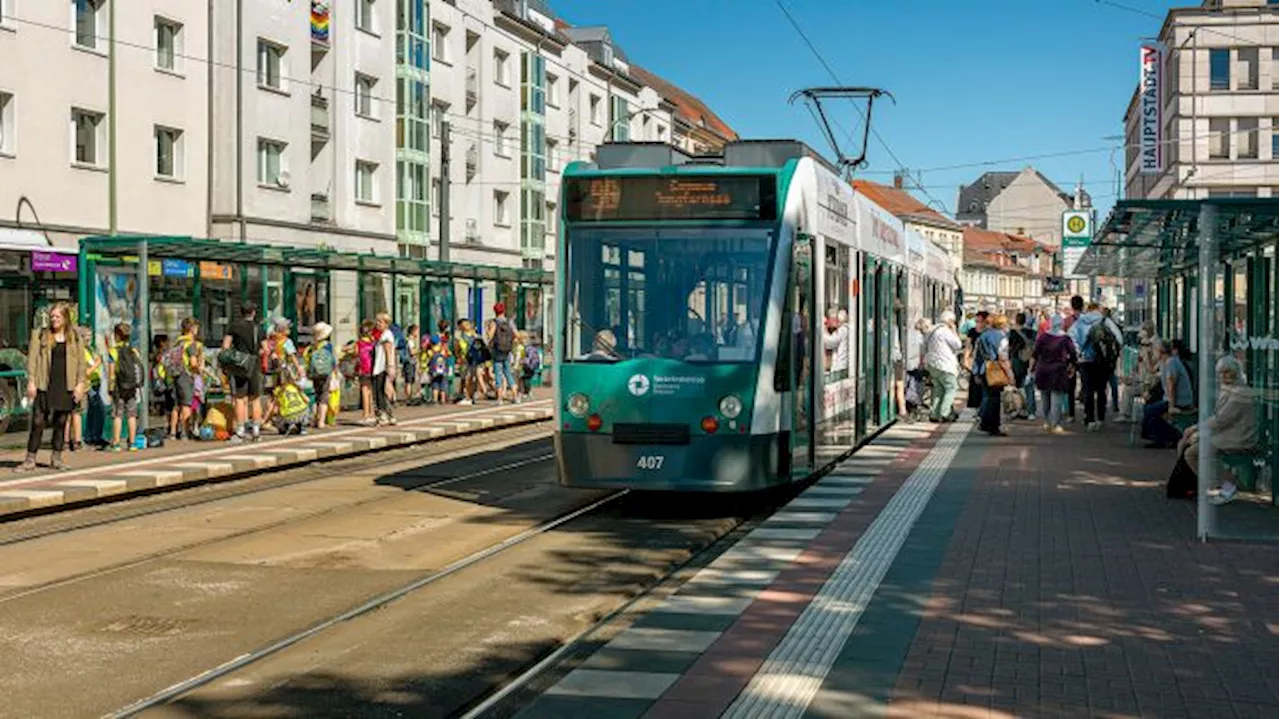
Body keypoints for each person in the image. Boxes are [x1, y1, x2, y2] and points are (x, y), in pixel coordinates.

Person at [1173, 356, 1259, 505]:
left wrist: (1197, 430)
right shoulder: (1230, 390)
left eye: (1228, 372)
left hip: (1238, 437)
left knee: (1192, 453)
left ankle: (1225, 486)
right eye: (1221, 373)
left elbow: (1222, 419)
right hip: (1228, 433)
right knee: (1186, 443)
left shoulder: (1240, 394)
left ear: (1236, 373)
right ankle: (1185, 482)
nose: (1224, 376)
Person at [15, 303, 87, 472]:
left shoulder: (75, 337)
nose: (54, 320)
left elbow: (81, 364)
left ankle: (56, 457)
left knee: (61, 422)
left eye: (57, 317)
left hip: (65, 384)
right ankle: (30, 459)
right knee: (38, 421)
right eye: (52, 317)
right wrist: (31, 381)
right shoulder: (40, 335)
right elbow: (32, 360)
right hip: (44, 384)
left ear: (65, 318)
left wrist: (80, 384)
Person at [1069, 301, 1124, 431]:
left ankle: (1090, 419)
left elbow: (1071, 338)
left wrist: (1078, 352)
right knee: (1101, 389)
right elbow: (1119, 339)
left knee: (1087, 389)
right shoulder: (1105, 321)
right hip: (1103, 361)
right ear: (1098, 309)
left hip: (1085, 361)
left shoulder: (1080, 322)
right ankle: (1101, 418)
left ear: (1087, 310)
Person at [222, 303, 264, 443]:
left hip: (239, 366)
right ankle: (256, 431)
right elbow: (264, 349)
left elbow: (225, 346)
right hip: (254, 366)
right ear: (253, 312)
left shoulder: (234, 327)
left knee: (240, 398)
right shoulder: (259, 328)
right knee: (255, 399)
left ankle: (240, 431)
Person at [1142, 339, 1196, 448]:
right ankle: (1160, 436)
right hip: (1170, 399)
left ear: (1160, 351)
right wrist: (1147, 355)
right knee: (1151, 408)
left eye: (1155, 350)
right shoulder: (1165, 362)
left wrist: (1171, 406)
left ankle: (1166, 437)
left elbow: (1171, 385)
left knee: (1150, 411)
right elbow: (1152, 369)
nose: (1154, 352)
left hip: (1179, 400)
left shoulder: (1172, 362)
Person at [1032, 314, 1078, 434]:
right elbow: (1073, 354)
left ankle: (1047, 421)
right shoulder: (1065, 338)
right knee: (1057, 397)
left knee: (1045, 397)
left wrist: (1031, 368)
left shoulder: (1043, 337)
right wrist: (1072, 366)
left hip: (1042, 370)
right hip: (1058, 370)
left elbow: (1035, 354)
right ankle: (1055, 424)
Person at [107, 323, 144, 452]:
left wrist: (110, 388)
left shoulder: (113, 351)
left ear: (116, 335)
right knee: (131, 415)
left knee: (118, 414)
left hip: (119, 387)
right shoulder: (134, 351)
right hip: (132, 387)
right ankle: (132, 443)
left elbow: (111, 373)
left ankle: (116, 443)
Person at [975, 314, 1014, 436]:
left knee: (987, 396)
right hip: (996, 370)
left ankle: (985, 423)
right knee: (995, 399)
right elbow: (1003, 357)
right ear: (1002, 325)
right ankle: (993, 426)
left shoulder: (983, 335)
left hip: (983, 368)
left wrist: (976, 371)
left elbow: (978, 355)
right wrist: (1010, 374)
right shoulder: (1002, 337)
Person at [921, 310, 962, 423]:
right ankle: (945, 412)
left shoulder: (931, 330)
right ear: (949, 321)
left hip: (932, 364)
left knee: (938, 389)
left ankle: (934, 413)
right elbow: (958, 345)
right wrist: (954, 331)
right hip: (945, 364)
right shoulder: (945, 331)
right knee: (951, 388)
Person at [168, 317, 204, 440]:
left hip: (175, 375)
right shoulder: (191, 344)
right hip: (186, 375)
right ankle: (185, 432)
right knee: (186, 405)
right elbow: (193, 363)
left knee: (176, 405)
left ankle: (173, 432)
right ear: (192, 329)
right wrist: (199, 370)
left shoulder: (177, 342)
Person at [304, 321, 339, 429]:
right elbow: (334, 361)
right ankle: (321, 421)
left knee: (315, 395)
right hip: (326, 373)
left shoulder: (312, 346)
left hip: (315, 373)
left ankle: (314, 419)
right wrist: (335, 372)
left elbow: (307, 359)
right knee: (324, 396)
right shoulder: (328, 346)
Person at [1008, 312, 1038, 420]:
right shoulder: (1032, 332)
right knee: (1029, 388)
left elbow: (1009, 348)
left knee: (1016, 387)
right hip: (1029, 361)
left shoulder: (1011, 333)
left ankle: (1017, 409)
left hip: (1016, 361)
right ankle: (1031, 412)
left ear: (1016, 320)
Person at [488, 302, 517, 404]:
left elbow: (490, 336)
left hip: (497, 351)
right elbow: (516, 334)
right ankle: (515, 396)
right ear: (504, 310)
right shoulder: (509, 321)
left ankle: (499, 399)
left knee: (498, 374)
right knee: (508, 373)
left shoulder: (494, 322)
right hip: (507, 350)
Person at [373, 312, 398, 425]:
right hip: (381, 366)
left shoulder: (386, 335)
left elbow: (388, 351)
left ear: (386, 323)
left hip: (382, 367)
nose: (378, 324)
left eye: (380, 322)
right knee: (384, 392)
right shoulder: (384, 334)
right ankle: (389, 414)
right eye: (377, 321)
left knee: (381, 392)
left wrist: (390, 366)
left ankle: (383, 415)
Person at [964, 311, 989, 413]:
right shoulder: (972, 331)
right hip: (975, 361)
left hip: (987, 362)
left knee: (985, 385)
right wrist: (966, 359)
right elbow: (969, 346)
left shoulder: (989, 332)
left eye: (981, 321)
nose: (979, 324)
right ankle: (976, 408)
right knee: (975, 385)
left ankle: (983, 408)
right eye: (977, 321)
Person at [356, 320, 377, 424]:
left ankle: (366, 414)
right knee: (371, 391)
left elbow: (354, 354)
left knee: (364, 390)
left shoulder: (359, 343)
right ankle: (372, 413)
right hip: (373, 368)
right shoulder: (373, 343)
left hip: (363, 369)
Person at [823, 308, 850, 376]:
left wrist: (823, 330)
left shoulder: (842, 330)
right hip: (843, 364)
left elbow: (829, 343)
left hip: (840, 366)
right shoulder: (846, 329)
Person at [404, 324, 422, 405]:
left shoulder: (409, 340)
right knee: (409, 381)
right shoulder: (410, 341)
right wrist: (419, 351)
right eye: (417, 331)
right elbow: (412, 351)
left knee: (410, 380)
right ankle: (409, 398)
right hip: (410, 362)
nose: (418, 333)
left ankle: (410, 397)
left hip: (410, 362)